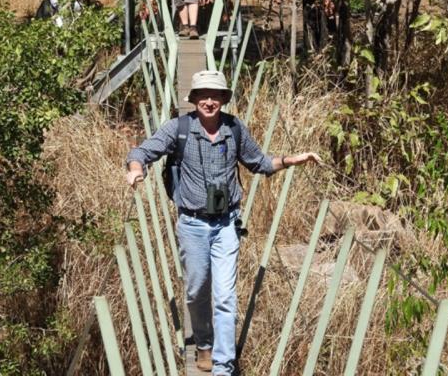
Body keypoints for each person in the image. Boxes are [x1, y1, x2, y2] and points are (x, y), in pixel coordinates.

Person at [125, 70, 321, 375]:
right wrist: (136, 169)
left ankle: (223, 367)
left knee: (226, 296)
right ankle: (204, 344)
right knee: (196, 290)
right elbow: (141, 151)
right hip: (192, 224)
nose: (209, 101)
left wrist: (291, 159)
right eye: (203, 95)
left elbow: (260, 163)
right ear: (193, 99)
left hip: (227, 223)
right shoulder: (178, 129)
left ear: (223, 99)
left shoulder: (234, 129)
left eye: (215, 95)